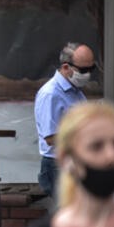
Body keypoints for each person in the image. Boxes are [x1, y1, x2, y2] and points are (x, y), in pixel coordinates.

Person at [34, 42, 95, 199]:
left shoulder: (76, 92)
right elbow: (50, 138)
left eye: (91, 69)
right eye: (83, 70)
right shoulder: (51, 94)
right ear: (66, 67)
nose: (88, 74)